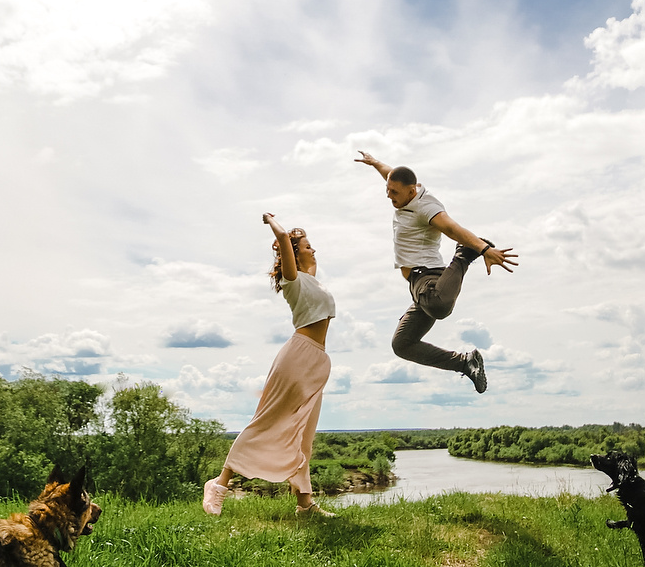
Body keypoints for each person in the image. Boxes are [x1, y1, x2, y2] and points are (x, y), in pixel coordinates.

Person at [202, 213, 338, 517]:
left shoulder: (311, 278)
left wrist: (294, 241)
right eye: (308, 246)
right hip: (297, 358)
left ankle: (305, 504)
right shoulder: (292, 281)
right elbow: (284, 242)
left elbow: (303, 257)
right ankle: (219, 484)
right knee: (265, 422)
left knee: (304, 436)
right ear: (294, 253)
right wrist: (274, 224)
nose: (314, 250)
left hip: (317, 360)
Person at [354, 151, 515, 394]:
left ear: (411, 191)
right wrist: (375, 163)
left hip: (427, 278)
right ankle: (465, 362)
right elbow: (391, 174)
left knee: (440, 306)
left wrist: (482, 249)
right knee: (402, 344)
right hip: (420, 287)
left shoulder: (426, 207)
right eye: (388, 190)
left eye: (394, 192)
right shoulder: (406, 190)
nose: (389, 196)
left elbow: (451, 228)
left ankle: (463, 255)